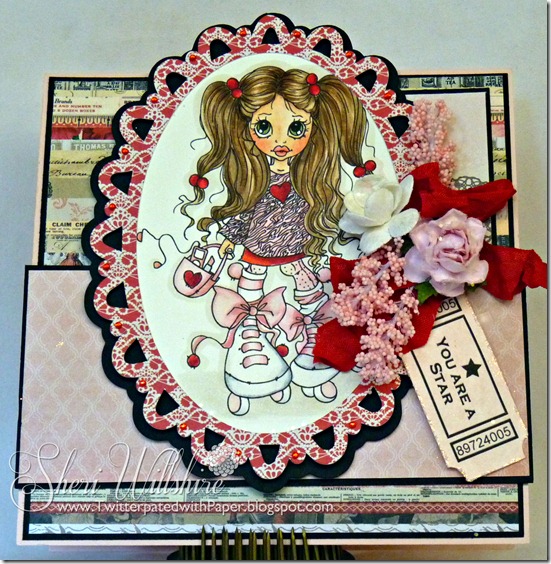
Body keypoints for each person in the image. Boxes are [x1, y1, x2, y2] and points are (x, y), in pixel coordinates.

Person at [182, 66, 368, 415]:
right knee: (251, 305)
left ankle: (314, 345)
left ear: (314, 129)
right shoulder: (252, 176)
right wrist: (228, 241)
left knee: (310, 296)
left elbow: (325, 213)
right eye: (265, 128)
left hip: (296, 252)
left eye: (296, 128)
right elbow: (243, 213)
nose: (281, 142)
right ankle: (253, 347)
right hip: (255, 255)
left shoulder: (309, 179)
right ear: (247, 128)